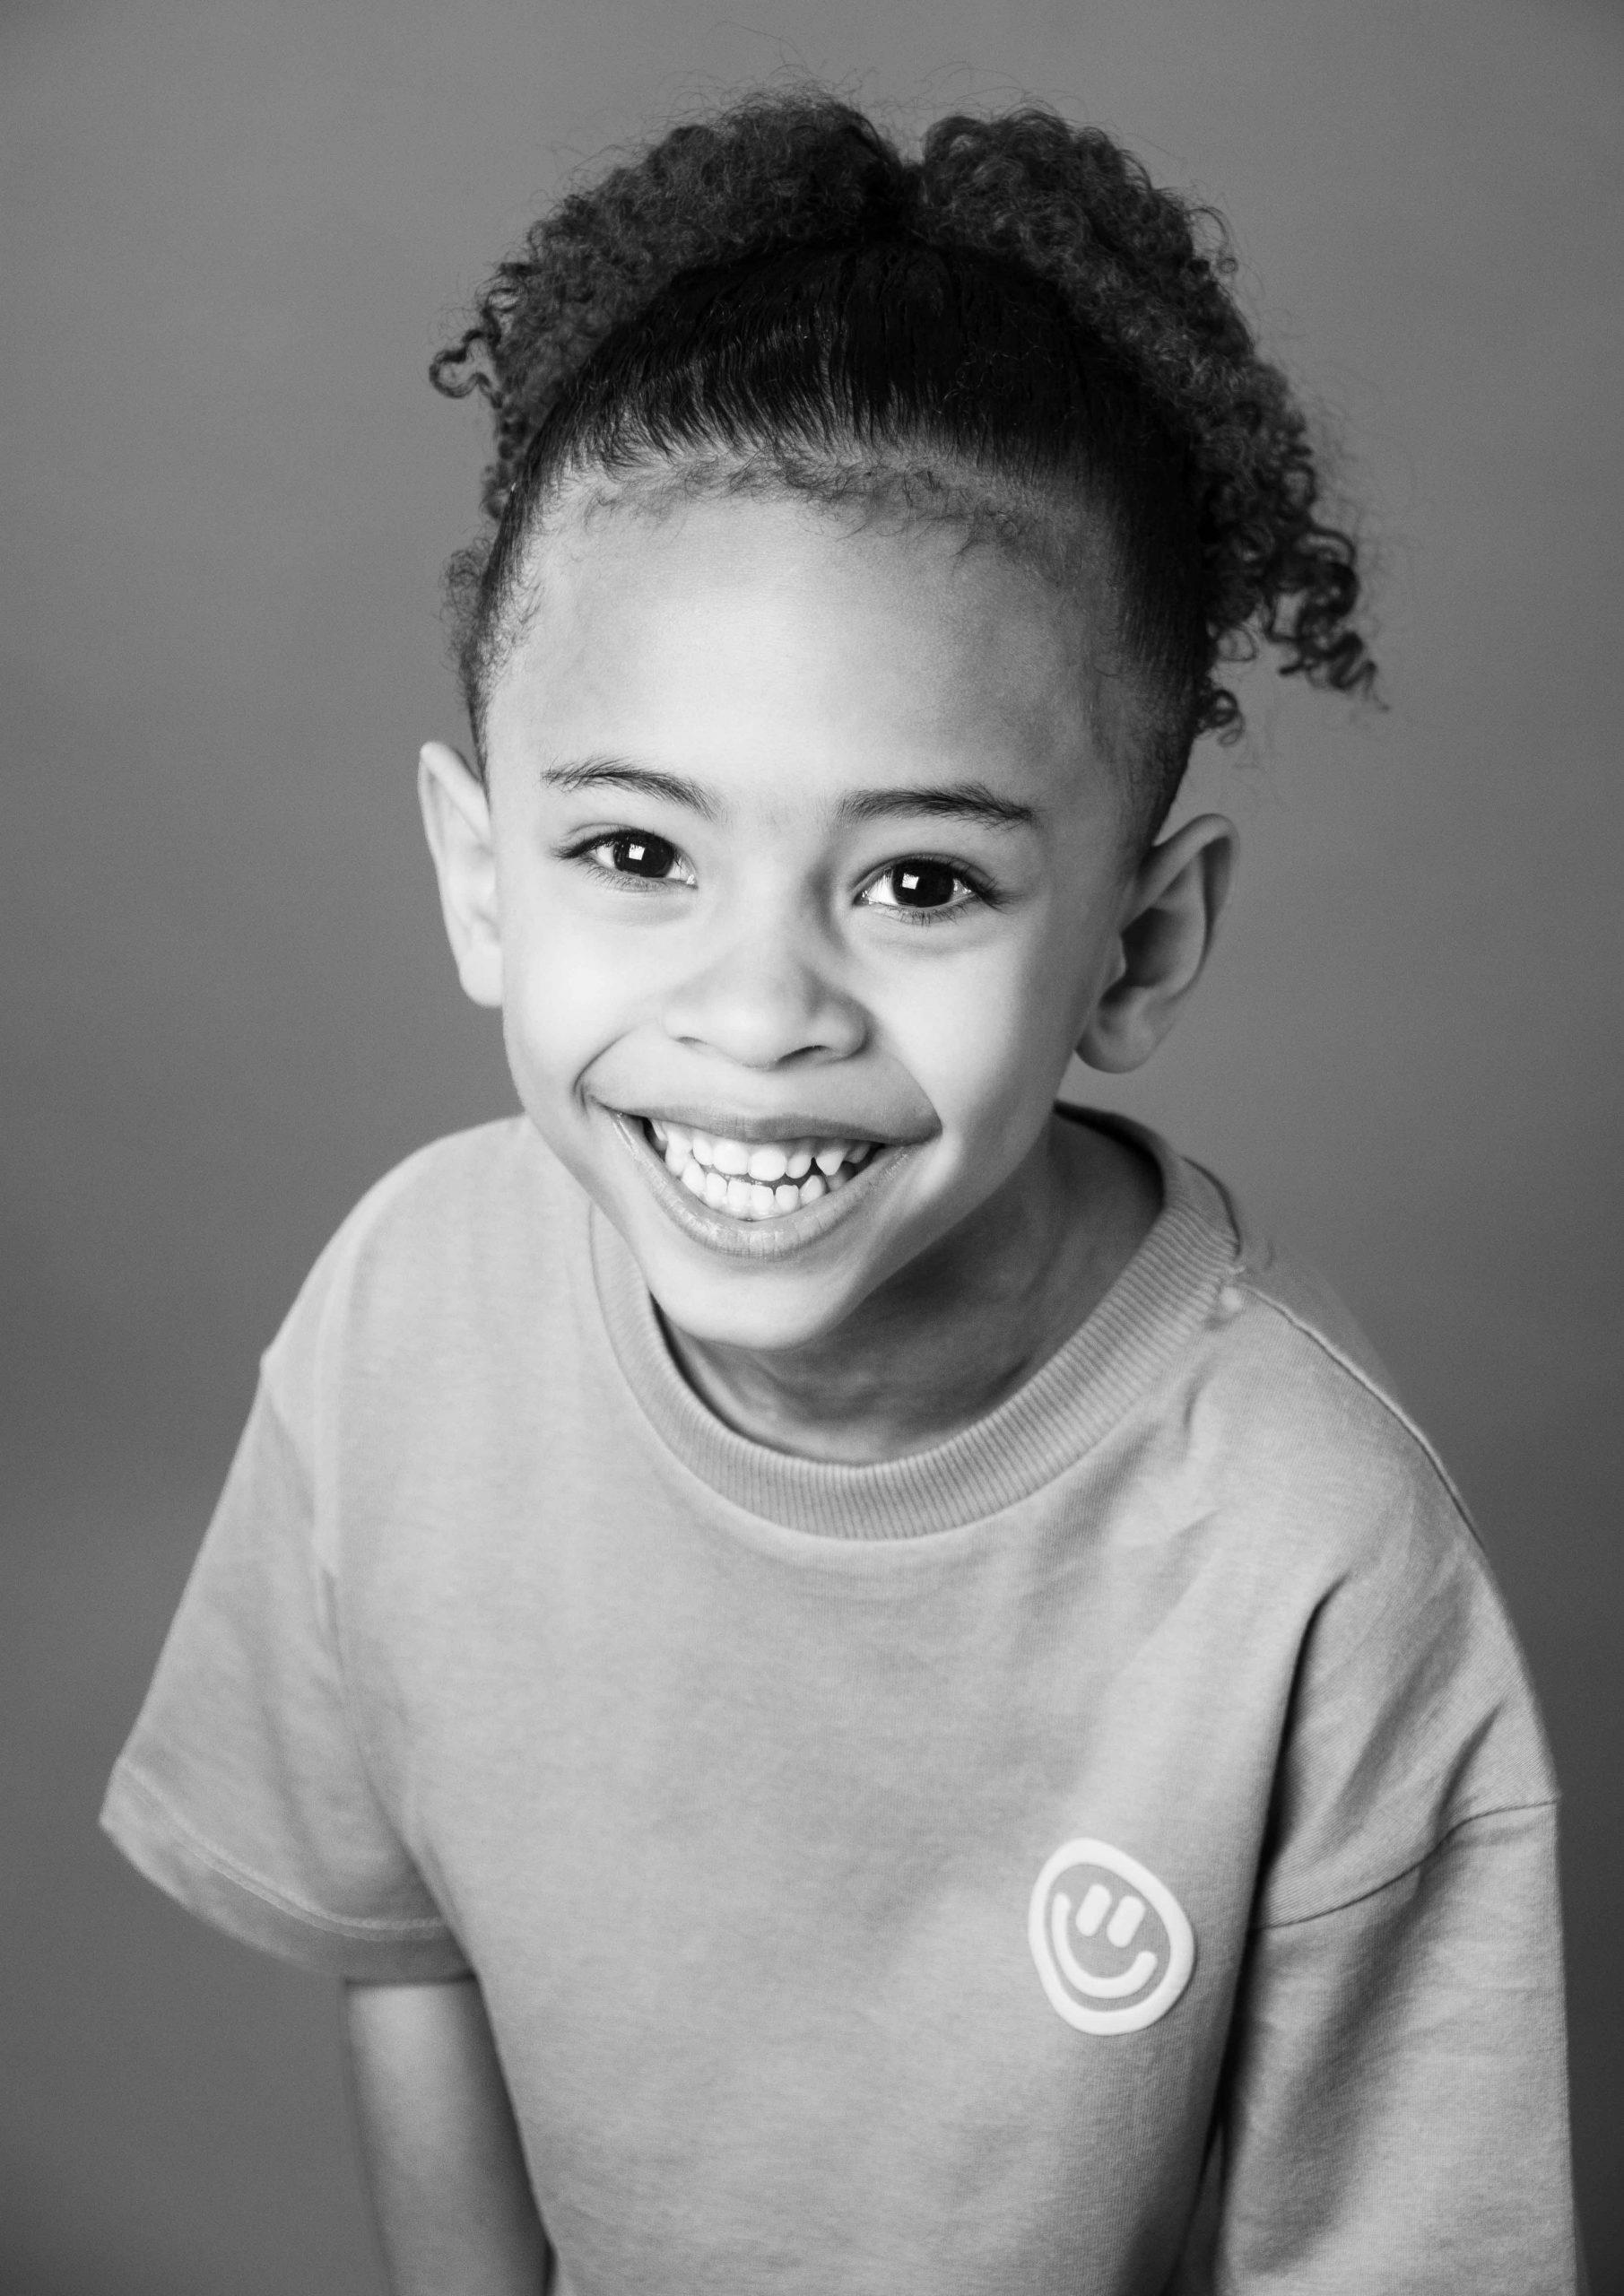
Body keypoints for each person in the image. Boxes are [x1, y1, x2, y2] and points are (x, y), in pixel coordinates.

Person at [101, 92, 1578, 2295]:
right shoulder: (405, 1319)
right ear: (476, 875)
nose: (762, 1002)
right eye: (634, 854)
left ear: (1138, 947)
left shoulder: (1313, 1555)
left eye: (919, 878)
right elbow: (406, 1943)